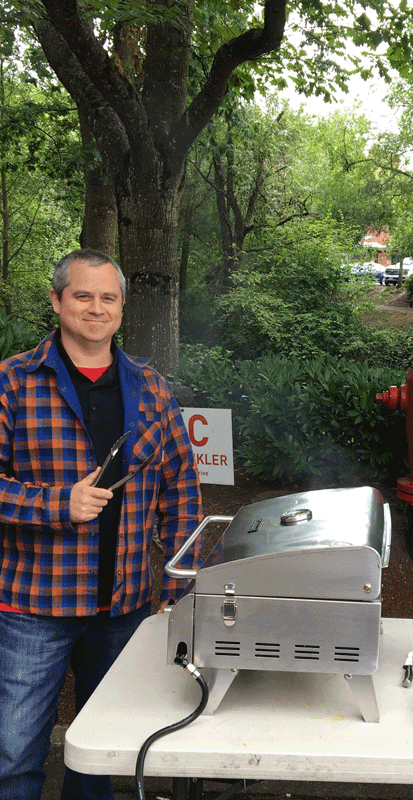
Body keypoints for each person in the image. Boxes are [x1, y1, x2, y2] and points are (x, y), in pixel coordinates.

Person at [0, 249, 203, 800]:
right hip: (34, 607)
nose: (96, 308)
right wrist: (56, 504)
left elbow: (181, 489)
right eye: (82, 296)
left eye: (107, 297)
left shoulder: (151, 387)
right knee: (13, 755)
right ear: (57, 301)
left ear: (121, 307)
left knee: (100, 752)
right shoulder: (14, 382)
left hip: (124, 605)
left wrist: (182, 582)